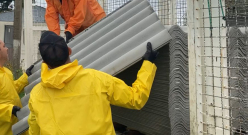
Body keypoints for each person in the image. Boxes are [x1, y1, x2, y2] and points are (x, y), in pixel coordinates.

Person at [28, 31, 159, 134]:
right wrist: (148, 63)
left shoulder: (36, 95)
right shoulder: (98, 80)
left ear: (44, 63)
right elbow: (136, 98)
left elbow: (34, 131)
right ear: (69, 51)